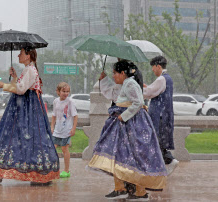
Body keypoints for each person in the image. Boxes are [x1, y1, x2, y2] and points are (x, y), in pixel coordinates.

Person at [88, 60, 167, 201]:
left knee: (132, 156)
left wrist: (122, 117)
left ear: (123, 73)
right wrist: (104, 80)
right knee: (122, 156)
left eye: (115, 73)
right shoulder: (126, 83)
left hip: (132, 124)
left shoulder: (130, 84)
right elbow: (117, 96)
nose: (114, 76)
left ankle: (137, 191)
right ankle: (124, 189)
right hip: (127, 124)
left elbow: (138, 103)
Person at [0, 47, 60, 185]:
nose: (18, 55)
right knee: (27, 141)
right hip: (25, 110)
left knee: (20, 139)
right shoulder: (28, 69)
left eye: (21, 53)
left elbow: (20, 90)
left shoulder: (31, 70)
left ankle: (38, 175)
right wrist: (15, 78)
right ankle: (35, 175)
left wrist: (4, 85)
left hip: (28, 112)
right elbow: (20, 86)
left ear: (28, 56)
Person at [143, 56, 179, 174]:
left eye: (153, 67)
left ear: (158, 66)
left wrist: (138, 89)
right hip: (165, 114)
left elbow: (149, 93)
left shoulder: (161, 79)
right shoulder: (168, 79)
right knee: (158, 142)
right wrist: (147, 88)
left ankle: (168, 161)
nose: (152, 70)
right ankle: (162, 165)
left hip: (159, 116)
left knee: (155, 141)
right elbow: (155, 91)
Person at [50, 82, 78, 178]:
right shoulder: (55, 101)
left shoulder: (70, 102)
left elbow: (75, 116)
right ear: (58, 91)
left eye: (67, 91)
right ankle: (53, 169)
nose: (65, 93)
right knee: (52, 148)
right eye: (63, 91)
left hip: (67, 129)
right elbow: (54, 115)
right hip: (57, 129)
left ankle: (66, 170)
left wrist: (73, 128)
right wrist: (52, 126)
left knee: (64, 148)